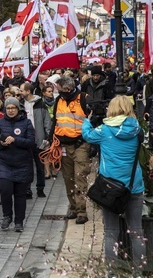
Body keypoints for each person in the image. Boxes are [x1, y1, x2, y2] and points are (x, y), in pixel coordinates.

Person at [82, 95, 145, 275]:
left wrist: (87, 120)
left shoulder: (104, 130)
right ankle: (139, 272)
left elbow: (87, 135)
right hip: (134, 186)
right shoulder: (137, 129)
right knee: (137, 232)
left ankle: (112, 272)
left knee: (111, 232)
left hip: (110, 188)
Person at [0, 97, 35, 232]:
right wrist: (1, 144)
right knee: (5, 191)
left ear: (18, 109)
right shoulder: (0, 123)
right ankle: (7, 216)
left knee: (20, 195)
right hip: (5, 163)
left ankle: (19, 221)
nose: (11, 111)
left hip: (22, 164)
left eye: (13, 108)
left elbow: (31, 142)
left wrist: (15, 140)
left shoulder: (27, 123)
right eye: (8, 108)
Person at [53, 75, 91, 224]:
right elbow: (55, 121)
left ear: (68, 88)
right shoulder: (59, 100)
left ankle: (82, 211)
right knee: (68, 178)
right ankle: (73, 208)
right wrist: (52, 140)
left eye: (60, 90)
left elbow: (92, 120)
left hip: (80, 144)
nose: (59, 92)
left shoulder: (83, 99)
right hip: (63, 145)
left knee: (80, 177)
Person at [20, 82, 52, 198]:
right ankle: (28, 190)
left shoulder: (40, 104)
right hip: (26, 140)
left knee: (40, 166)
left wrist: (48, 137)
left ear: (28, 91)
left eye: (22, 90)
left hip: (39, 139)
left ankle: (40, 188)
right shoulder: (21, 104)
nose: (20, 92)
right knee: (27, 166)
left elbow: (47, 121)